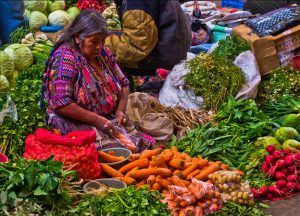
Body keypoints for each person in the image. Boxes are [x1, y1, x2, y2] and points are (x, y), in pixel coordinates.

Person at [41, 9, 130, 150]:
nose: (99, 46)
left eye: (102, 41)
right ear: (77, 37)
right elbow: (61, 103)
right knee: (112, 152)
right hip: (74, 122)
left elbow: (124, 84)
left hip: (105, 117)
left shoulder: (103, 54)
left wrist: (120, 111)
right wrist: (96, 120)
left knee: (138, 143)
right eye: (94, 41)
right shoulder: (66, 58)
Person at [105, 0, 192, 91]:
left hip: (168, 51)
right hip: (174, 42)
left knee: (108, 55)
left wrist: (104, 46)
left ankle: (126, 94)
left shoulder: (136, 3)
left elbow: (135, 46)